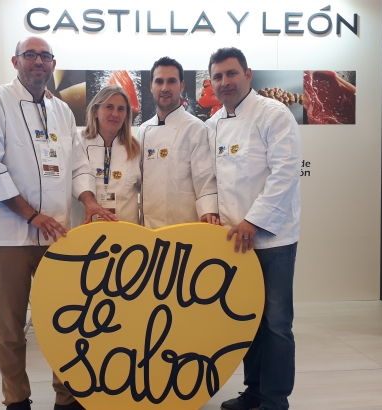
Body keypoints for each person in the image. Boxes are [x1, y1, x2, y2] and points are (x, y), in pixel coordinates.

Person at [0, 36, 114, 410]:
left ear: (53, 64)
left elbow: (78, 164)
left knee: (65, 321)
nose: (38, 61)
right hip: (8, 236)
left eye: (45, 56)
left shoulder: (61, 110)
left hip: (56, 234)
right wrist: (31, 215)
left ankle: (67, 396)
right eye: (30, 55)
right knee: (10, 326)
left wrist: (89, 201)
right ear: (16, 61)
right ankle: (17, 400)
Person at [205, 47, 302, 410]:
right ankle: (255, 391)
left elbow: (285, 173)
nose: (225, 82)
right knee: (248, 320)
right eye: (218, 76)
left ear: (248, 75)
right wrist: (211, 214)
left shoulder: (273, 113)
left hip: (273, 239)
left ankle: (275, 400)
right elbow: (211, 179)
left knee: (276, 323)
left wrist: (253, 220)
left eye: (231, 73)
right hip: (234, 240)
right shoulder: (213, 125)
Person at [137, 57, 219, 228]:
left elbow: (205, 179)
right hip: (148, 230)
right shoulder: (143, 130)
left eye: (171, 81)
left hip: (184, 227)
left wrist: (209, 212)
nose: (165, 88)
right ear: (151, 86)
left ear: (181, 86)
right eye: (159, 81)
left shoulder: (195, 127)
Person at [72, 85, 141, 225]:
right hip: (85, 229)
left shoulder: (135, 149)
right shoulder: (78, 141)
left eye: (121, 109)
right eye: (109, 107)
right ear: (95, 111)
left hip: (126, 229)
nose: (115, 114)